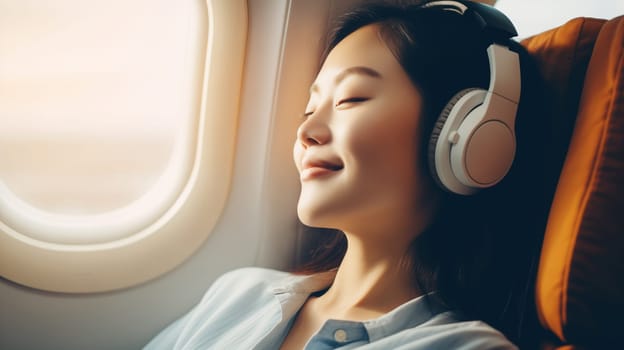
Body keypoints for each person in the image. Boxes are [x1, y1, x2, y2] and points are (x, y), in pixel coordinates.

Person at [144, 1, 547, 349]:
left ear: (468, 138)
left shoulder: (462, 347)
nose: (305, 132)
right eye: (309, 108)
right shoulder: (240, 294)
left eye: (350, 98)